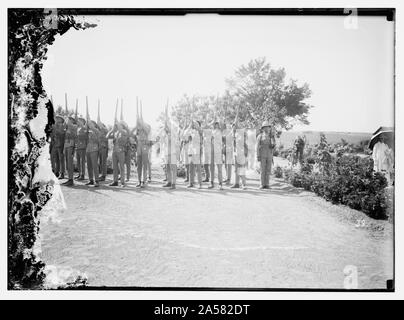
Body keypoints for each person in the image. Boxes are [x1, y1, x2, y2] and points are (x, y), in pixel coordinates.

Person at [106, 121, 128, 187]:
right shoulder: (116, 133)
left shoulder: (124, 131)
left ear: (122, 126)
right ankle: (115, 181)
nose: (117, 126)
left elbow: (122, 133)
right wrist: (111, 130)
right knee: (114, 167)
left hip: (121, 151)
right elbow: (107, 136)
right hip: (115, 151)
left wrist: (117, 122)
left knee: (121, 167)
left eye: (119, 125)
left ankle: (122, 182)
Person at [256, 121, 276, 189]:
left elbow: (273, 147)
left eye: (268, 127)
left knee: (268, 170)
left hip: (269, 155)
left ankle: (267, 184)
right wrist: (258, 155)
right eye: (265, 127)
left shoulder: (271, 137)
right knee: (262, 170)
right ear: (263, 128)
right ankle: (262, 184)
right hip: (262, 155)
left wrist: (273, 146)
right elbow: (257, 147)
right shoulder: (260, 136)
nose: (267, 129)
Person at [162, 121, 180, 189]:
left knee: (173, 169)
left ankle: (174, 184)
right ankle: (169, 182)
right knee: (168, 168)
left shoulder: (173, 134)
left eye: (167, 127)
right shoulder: (165, 135)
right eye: (165, 127)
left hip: (172, 153)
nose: (166, 128)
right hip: (166, 153)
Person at [62, 116, 77, 186]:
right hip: (67, 145)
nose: (68, 120)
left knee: (70, 163)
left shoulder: (74, 126)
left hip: (71, 145)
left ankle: (71, 180)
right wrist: (64, 148)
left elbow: (71, 128)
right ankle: (69, 179)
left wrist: (68, 122)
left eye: (69, 119)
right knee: (67, 164)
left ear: (72, 121)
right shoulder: (67, 127)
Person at [231, 124, 248, 190]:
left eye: (235, 127)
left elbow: (245, 145)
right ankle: (236, 183)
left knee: (241, 169)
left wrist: (246, 153)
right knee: (236, 170)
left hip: (241, 154)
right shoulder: (234, 136)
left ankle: (244, 184)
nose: (233, 129)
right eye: (233, 128)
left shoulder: (241, 135)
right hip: (235, 154)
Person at [187, 121, 202, 188]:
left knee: (198, 168)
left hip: (197, 151)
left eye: (196, 124)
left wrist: (195, 123)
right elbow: (185, 135)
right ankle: (191, 183)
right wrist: (189, 126)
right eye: (194, 124)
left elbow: (199, 130)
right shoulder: (191, 131)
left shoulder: (199, 131)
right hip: (191, 151)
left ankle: (200, 184)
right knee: (191, 168)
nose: (194, 125)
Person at [85, 120, 101, 187]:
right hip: (88, 149)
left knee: (95, 166)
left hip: (94, 149)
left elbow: (98, 136)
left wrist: (92, 127)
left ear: (94, 124)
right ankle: (91, 179)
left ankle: (97, 180)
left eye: (91, 123)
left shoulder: (96, 130)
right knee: (89, 166)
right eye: (89, 124)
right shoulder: (88, 131)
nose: (89, 125)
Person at [209, 120, 224, 190]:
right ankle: (211, 182)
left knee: (219, 168)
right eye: (215, 124)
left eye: (217, 124)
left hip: (218, 151)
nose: (216, 125)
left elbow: (220, 142)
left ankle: (220, 183)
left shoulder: (220, 132)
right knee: (212, 168)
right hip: (212, 151)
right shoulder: (212, 131)